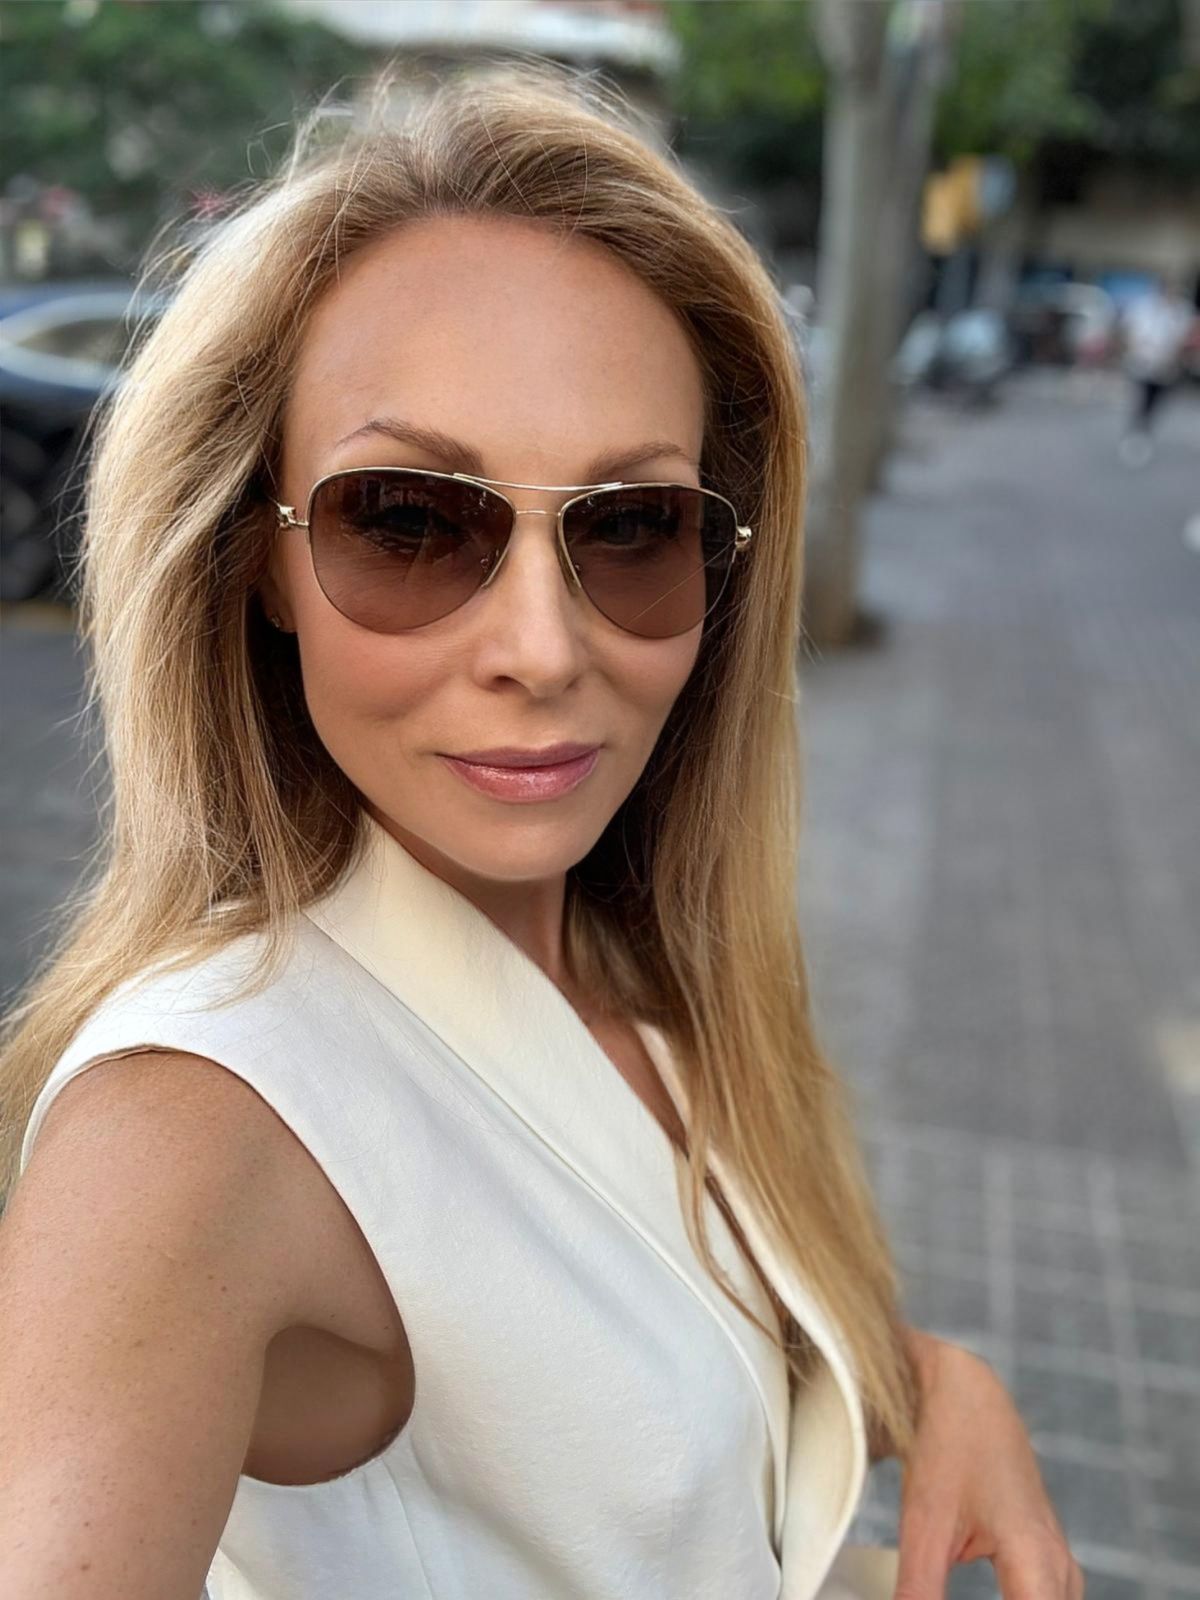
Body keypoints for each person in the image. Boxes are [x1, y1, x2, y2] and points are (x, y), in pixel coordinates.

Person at [0, 60, 1081, 1600]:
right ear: (258, 562)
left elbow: (629, 1337)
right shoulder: (187, 1127)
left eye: (631, 527)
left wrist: (920, 1380)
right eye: (408, 521)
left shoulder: (639, 963)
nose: (543, 647)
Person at [1118, 273, 1196, 466]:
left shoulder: (1182, 311)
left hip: (1166, 367)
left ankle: (1143, 430)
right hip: (1142, 362)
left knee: (1156, 401)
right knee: (1142, 398)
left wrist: (1177, 356)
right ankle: (1137, 433)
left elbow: (1186, 338)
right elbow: (1129, 331)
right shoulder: (1143, 307)